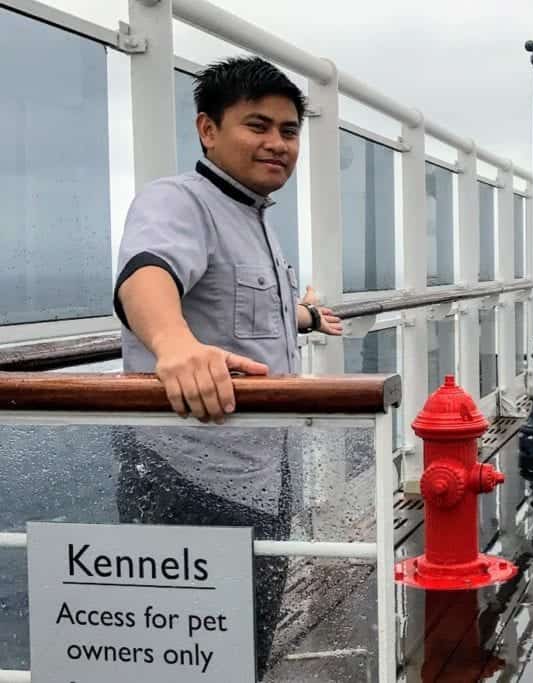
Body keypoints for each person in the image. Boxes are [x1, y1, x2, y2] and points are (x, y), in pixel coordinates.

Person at [112, 56, 341, 678]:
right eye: (257, 125)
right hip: (188, 477)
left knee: (245, 643)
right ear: (208, 130)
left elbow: (245, 308)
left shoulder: (257, 220)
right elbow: (146, 274)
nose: (277, 144)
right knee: (188, 655)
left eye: (289, 131)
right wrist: (174, 344)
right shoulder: (178, 201)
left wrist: (308, 319)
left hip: (264, 474)